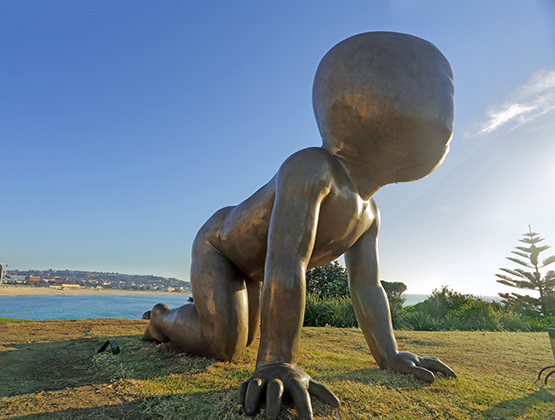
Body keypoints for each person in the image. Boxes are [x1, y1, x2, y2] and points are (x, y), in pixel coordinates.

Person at [143, 32, 456, 420]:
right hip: (221, 248)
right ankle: (160, 318)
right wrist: (276, 362)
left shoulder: (368, 211)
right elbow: (286, 260)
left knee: (235, 339)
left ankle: (183, 317)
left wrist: (389, 353)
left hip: (256, 270)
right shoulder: (313, 167)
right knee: (223, 346)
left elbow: (366, 285)